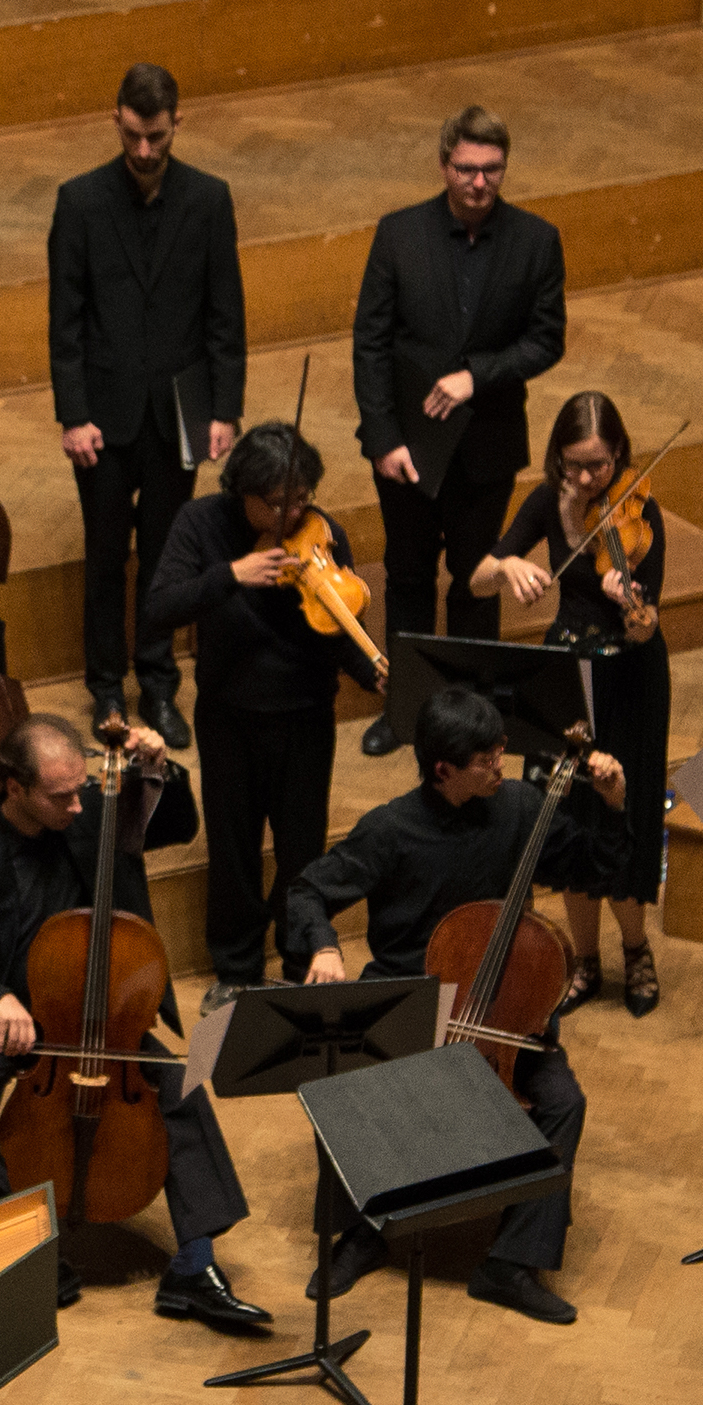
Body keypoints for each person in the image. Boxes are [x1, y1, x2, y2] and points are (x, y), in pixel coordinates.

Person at [0, 714, 269, 1329]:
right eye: (61, 795)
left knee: (178, 1085)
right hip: (12, 1030)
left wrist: (156, 768)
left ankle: (195, 1264)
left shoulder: (97, 818)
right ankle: (26, 1249)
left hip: (101, 1023)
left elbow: (178, 827)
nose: (79, 805)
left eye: (82, 787)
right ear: (14, 788)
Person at [286, 689, 626, 1325]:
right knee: (342, 1080)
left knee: (562, 1103)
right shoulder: (389, 829)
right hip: (410, 993)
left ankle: (509, 1263)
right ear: (441, 768)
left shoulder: (521, 807)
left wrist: (611, 807)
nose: (501, 766)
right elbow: (307, 892)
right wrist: (326, 946)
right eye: (485, 759)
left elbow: (592, 867)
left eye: (502, 751)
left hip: (500, 1006)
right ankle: (362, 1232)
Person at [350, 105, 566, 756]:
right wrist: (383, 437)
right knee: (409, 575)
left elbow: (546, 339)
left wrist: (478, 373)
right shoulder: (398, 234)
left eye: (491, 170)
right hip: (408, 444)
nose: (479, 182)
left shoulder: (535, 240)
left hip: (486, 443)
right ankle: (407, 711)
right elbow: (371, 343)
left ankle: (470, 716)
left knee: (476, 577)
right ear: (444, 165)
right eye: (467, 169)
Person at [48, 61, 246, 748]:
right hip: (102, 415)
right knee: (105, 554)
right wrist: (71, 415)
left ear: (175, 126)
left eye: (156, 137)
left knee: (167, 557)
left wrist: (224, 409)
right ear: (116, 120)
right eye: (133, 135)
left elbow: (225, 314)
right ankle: (106, 686)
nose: (143, 152)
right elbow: (64, 321)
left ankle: (158, 683)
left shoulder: (208, 199)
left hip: (178, 412)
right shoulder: (78, 202)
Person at [145, 421, 382, 996]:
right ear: (242, 493)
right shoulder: (200, 523)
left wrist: (369, 669)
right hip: (230, 713)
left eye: (302, 498)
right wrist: (231, 575)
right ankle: (236, 969)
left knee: (303, 846)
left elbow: (337, 624)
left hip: (305, 713)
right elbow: (159, 606)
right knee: (233, 845)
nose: (292, 515)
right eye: (276, 503)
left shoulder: (322, 532)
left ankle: (302, 964)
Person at [471, 391, 670, 1018]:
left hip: (631, 675)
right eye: (575, 465)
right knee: (573, 815)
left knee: (623, 808)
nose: (587, 479)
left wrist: (626, 601)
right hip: (567, 673)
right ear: (557, 457)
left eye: (601, 465)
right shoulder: (545, 501)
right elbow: (473, 577)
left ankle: (636, 948)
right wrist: (506, 570)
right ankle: (585, 959)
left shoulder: (642, 511)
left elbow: (645, 626)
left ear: (620, 455)